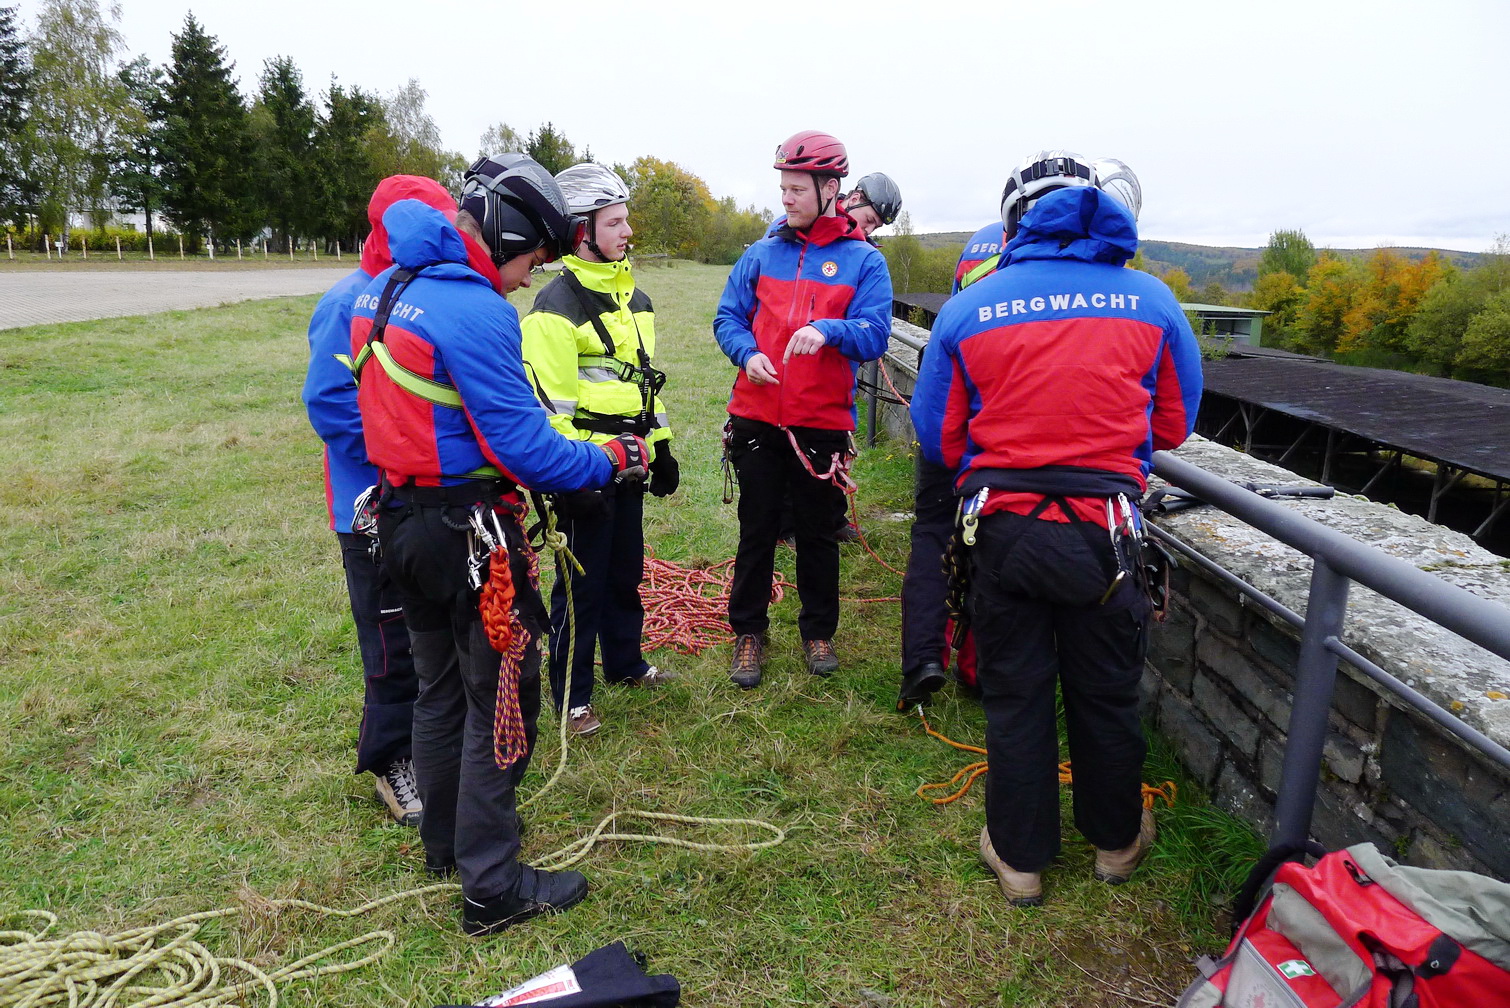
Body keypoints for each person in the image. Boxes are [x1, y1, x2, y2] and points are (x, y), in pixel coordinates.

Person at [351, 153, 649, 936]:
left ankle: (444, 844)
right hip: (470, 537)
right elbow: (528, 450)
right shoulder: (475, 310)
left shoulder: (383, 291)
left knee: (439, 689)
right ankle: (490, 887)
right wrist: (610, 459)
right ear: (507, 235)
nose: (528, 277)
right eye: (532, 259)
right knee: (502, 701)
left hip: (401, 524)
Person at [910, 167, 1202, 906]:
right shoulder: (1152, 301)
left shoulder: (970, 307)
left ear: (1016, 225)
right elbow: (1173, 425)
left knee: (1017, 694)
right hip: (1107, 534)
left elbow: (939, 439)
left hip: (1004, 532)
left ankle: (1020, 859)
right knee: (1107, 693)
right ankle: (1116, 844)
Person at [897, 152, 1140, 710]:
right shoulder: (1101, 276)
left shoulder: (982, 243)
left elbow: (956, 319)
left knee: (933, 533)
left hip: (957, 403)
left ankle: (922, 659)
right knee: (986, 545)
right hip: (1011, 433)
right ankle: (978, 669)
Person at [302, 174, 456, 826]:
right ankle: (394, 763)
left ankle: (438, 747)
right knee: (391, 639)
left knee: (433, 633)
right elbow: (328, 401)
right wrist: (399, 452)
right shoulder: (347, 304)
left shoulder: (425, 297)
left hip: (426, 501)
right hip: (369, 506)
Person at [714, 130, 893, 689]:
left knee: (817, 532)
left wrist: (829, 330)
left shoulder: (864, 262)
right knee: (757, 528)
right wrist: (747, 354)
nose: (785, 198)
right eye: (783, 188)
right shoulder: (761, 253)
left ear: (829, 189)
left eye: (796, 189)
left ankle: (818, 631)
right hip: (756, 418)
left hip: (821, 423)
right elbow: (727, 318)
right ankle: (749, 631)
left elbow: (876, 334)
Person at [521, 162, 679, 738]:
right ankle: (572, 696)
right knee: (579, 588)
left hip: (631, 465)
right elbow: (550, 409)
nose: (627, 232)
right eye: (614, 223)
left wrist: (661, 447)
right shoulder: (554, 307)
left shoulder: (637, 300)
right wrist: (571, 479)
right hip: (585, 471)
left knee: (624, 572)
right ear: (581, 231)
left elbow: (642, 387)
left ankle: (626, 663)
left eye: (626, 220)